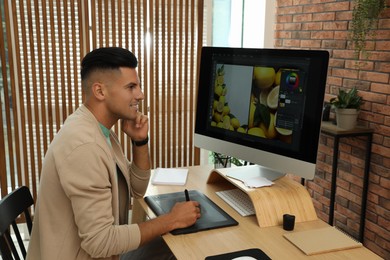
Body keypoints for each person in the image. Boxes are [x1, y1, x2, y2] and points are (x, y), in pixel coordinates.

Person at [26, 47, 201, 260]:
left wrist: (140, 141)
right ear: (100, 91)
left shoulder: (99, 129)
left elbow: (137, 189)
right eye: (131, 87)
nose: (140, 95)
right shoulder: (84, 146)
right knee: (181, 251)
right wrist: (171, 219)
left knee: (172, 245)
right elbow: (100, 243)